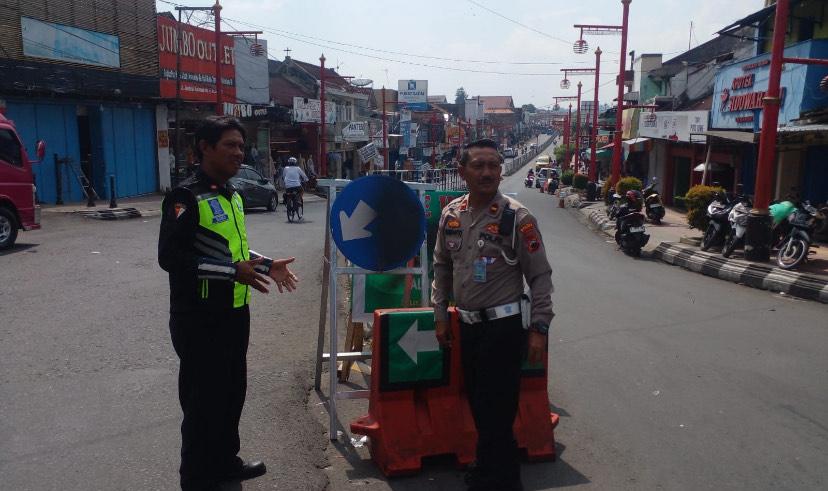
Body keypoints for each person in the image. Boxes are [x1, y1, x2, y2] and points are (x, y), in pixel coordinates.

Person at [158, 116, 299, 491]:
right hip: (198, 317)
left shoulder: (232, 194)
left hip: (234, 313)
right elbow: (171, 257)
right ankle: (196, 478)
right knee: (202, 400)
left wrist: (266, 265)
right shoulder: (185, 198)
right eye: (230, 145)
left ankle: (225, 463)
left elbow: (230, 252)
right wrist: (230, 271)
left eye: (241, 145)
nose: (239, 152)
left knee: (232, 392)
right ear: (205, 148)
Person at [431, 138, 554, 491]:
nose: (487, 172)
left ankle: (502, 480)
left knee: (498, 413)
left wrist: (539, 328)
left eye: (493, 166)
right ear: (462, 172)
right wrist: (440, 314)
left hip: (503, 330)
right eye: (478, 165)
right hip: (467, 328)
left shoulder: (517, 218)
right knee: (480, 406)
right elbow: (441, 266)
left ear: (501, 170)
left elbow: (540, 276)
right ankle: (486, 472)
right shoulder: (451, 215)